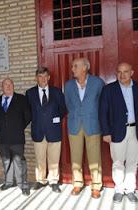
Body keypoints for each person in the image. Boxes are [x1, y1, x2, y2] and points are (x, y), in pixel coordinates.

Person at [64, 58, 104, 198]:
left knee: (95, 157)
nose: (72, 69)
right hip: (75, 124)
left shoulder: (98, 83)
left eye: (75, 66)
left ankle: (96, 185)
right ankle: (77, 183)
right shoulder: (68, 85)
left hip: (92, 124)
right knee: (75, 156)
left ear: (85, 67)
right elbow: (68, 103)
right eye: (72, 66)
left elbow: (102, 104)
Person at [99, 62, 138, 203]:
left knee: (133, 162)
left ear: (132, 73)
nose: (122, 75)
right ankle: (119, 189)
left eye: (126, 71)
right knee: (118, 162)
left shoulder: (137, 88)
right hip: (116, 132)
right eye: (119, 72)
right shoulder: (109, 90)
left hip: (135, 131)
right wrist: (106, 132)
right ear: (116, 73)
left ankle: (130, 189)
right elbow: (103, 113)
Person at [25, 67, 66, 193]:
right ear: (36, 78)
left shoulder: (57, 92)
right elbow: (28, 112)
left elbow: (63, 109)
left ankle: (53, 181)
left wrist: (54, 119)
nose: (43, 79)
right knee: (40, 158)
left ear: (49, 77)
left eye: (45, 76)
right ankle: (41, 180)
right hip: (38, 131)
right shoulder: (30, 93)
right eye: (40, 76)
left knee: (54, 158)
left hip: (54, 130)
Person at [0, 78, 31, 196]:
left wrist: (18, 127)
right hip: (2, 138)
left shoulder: (21, 99)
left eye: (10, 84)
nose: (8, 86)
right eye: (5, 84)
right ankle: (9, 182)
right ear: (2, 87)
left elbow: (28, 116)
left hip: (17, 137)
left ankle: (23, 185)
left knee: (19, 161)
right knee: (6, 161)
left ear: (13, 86)